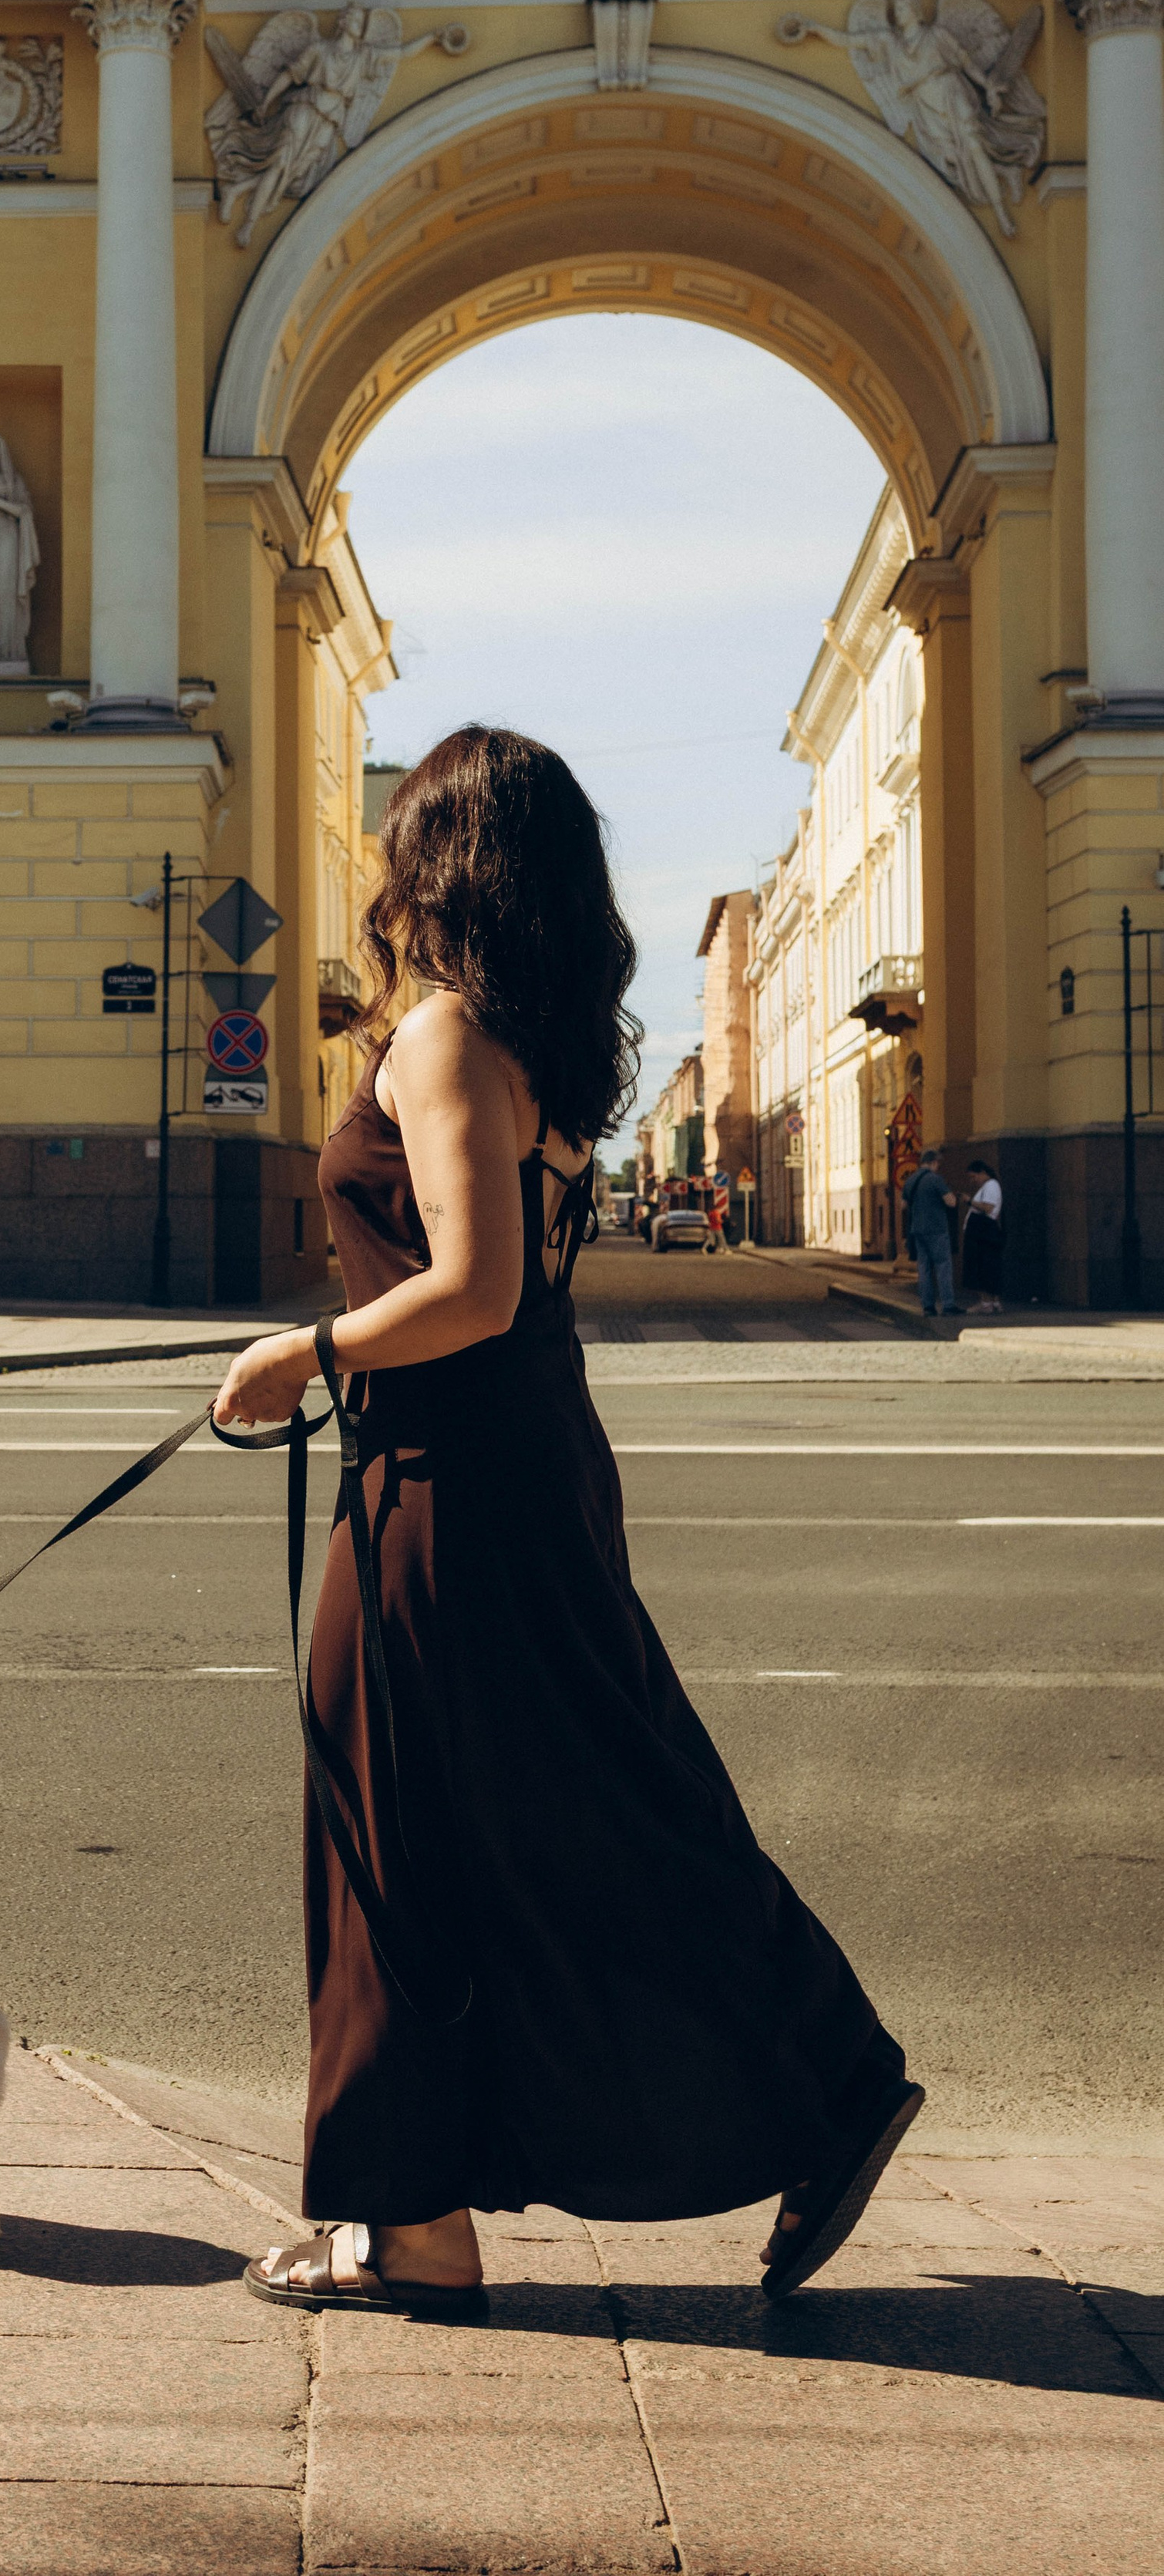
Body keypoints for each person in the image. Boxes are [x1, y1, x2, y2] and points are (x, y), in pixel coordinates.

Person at [214, 726, 920, 2324]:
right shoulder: (529, 1051)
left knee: (391, 1830)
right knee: (596, 1810)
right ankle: (823, 2077)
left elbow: (472, 1289)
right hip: (522, 1472)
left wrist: (299, 1354)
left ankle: (418, 2221)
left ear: (439, 866)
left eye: (401, 846)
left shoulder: (445, 1040)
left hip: (443, 1492)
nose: (382, 875)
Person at [902, 1147, 960, 1315]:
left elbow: (903, 1205)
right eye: (938, 1164)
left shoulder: (911, 1180)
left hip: (917, 1230)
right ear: (934, 1163)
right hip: (936, 1228)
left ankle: (928, 1306)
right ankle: (948, 1305)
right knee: (943, 1266)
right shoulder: (935, 1179)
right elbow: (951, 1203)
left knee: (924, 1268)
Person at [960, 1157, 1004, 1314]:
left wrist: (969, 1201)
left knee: (982, 1265)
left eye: (974, 1177)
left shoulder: (991, 1186)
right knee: (987, 1265)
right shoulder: (989, 1186)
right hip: (983, 1231)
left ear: (983, 1172)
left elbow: (988, 1208)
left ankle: (987, 1302)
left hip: (983, 1231)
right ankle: (993, 1302)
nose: (973, 1181)